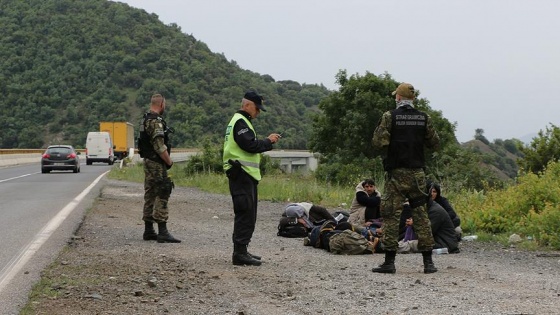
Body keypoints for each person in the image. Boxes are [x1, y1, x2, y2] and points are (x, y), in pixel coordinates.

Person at [371, 82, 440, 274]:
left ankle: (389, 262)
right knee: (421, 216)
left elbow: (378, 142)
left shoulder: (389, 117)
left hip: (397, 174)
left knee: (391, 215)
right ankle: (428, 263)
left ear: (399, 98)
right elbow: (434, 142)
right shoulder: (424, 118)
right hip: (418, 174)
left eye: (396, 96)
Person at [223, 90, 281, 266]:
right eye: (257, 108)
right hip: (241, 173)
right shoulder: (240, 122)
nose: (258, 112)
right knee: (245, 213)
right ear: (247, 105)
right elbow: (250, 145)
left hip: (244, 174)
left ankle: (243, 250)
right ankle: (239, 253)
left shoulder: (242, 121)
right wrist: (268, 141)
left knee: (248, 213)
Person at [137, 93, 181, 243]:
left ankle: (148, 230)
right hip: (156, 162)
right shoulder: (155, 122)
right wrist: (169, 162)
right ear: (161, 104)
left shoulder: (145, 120)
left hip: (148, 161)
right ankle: (162, 231)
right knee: (162, 191)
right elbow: (159, 146)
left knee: (149, 193)